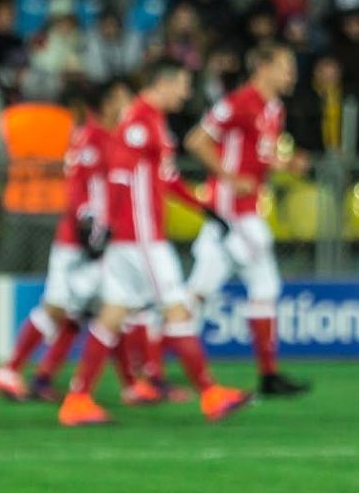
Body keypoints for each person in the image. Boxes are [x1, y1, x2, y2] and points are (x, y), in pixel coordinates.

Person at [57, 60, 250, 427]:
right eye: (183, 85)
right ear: (164, 82)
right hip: (140, 239)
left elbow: (166, 177)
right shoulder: (140, 120)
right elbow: (118, 175)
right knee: (177, 309)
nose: (186, 93)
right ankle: (210, 393)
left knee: (113, 314)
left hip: (130, 239)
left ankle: (77, 399)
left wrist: (203, 209)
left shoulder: (150, 120)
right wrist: (107, 226)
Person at [0, 78, 131, 401]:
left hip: (93, 241)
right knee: (60, 308)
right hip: (77, 243)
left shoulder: (106, 137)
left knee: (86, 311)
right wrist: (87, 228)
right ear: (108, 103)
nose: (128, 106)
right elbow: (78, 189)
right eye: (123, 99)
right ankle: (10, 369)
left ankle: (43, 377)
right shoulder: (91, 138)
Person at [182, 43, 310, 396]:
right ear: (263, 67)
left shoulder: (274, 109)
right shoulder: (239, 102)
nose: (291, 74)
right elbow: (196, 140)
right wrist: (228, 176)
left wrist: (287, 164)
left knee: (205, 292)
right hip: (230, 213)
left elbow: (260, 156)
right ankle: (145, 366)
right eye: (285, 66)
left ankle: (268, 375)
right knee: (252, 287)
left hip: (244, 213)